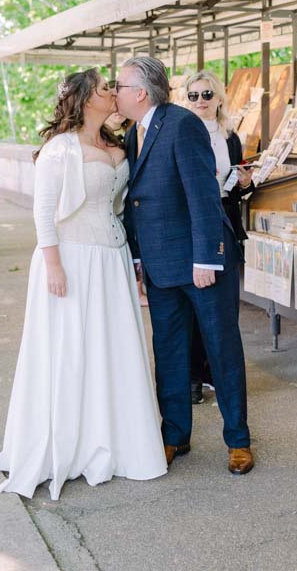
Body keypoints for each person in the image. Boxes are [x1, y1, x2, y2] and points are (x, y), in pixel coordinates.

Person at [0, 69, 166, 499]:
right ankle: (70, 441)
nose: (113, 93)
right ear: (87, 99)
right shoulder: (59, 150)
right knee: (69, 349)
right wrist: (53, 265)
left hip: (112, 259)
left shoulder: (120, 145)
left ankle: (116, 440)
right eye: (106, 88)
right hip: (70, 257)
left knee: (112, 347)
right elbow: (43, 212)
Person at [117, 55, 253, 476]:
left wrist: (206, 257)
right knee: (170, 352)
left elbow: (202, 195)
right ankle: (174, 435)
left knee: (221, 348)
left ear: (140, 92)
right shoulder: (133, 134)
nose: (115, 92)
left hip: (200, 264)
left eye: (118, 85)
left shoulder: (182, 123)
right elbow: (135, 201)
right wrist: (138, 257)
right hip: (159, 266)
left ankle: (239, 441)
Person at [184, 69, 254, 404]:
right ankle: (194, 375)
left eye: (206, 95)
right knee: (198, 301)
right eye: (193, 95)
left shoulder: (230, 135)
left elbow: (238, 181)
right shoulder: (182, 131)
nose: (200, 101)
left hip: (225, 216)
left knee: (225, 304)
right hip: (195, 221)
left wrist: (244, 183)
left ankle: (215, 372)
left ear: (219, 98)